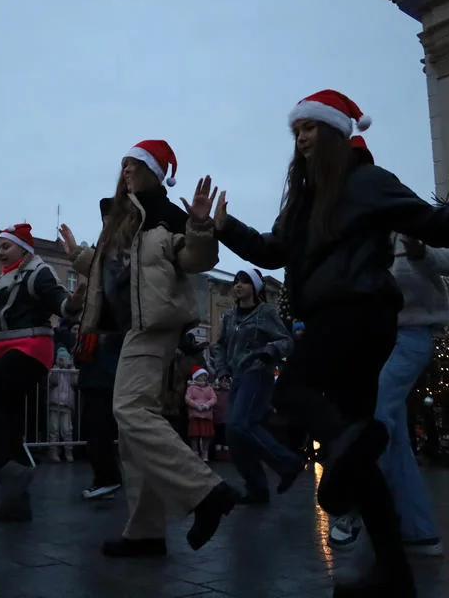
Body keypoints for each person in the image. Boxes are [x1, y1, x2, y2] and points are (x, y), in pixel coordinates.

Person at [213, 89, 449, 596]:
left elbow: (435, 224)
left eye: (311, 128)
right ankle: (393, 571)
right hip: (329, 319)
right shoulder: (302, 201)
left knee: (292, 392)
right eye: (297, 131)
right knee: (357, 455)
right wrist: (224, 227)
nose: (302, 137)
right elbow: (271, 253)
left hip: (361, 313)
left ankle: (352, 445)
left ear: (337, 133)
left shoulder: (368, 183)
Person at [59, 138, 238, 558]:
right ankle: (145, 532)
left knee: (131, 411)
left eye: (133, 165)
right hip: (126, 330)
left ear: (153, 173)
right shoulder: (122, 221)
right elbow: (114, 270)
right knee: (134, 428)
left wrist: (198, 225)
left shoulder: (166, 218)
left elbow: (196, 260)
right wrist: (79, 256)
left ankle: (206, 491)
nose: (125, 171)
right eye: (122, 165)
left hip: (154, 325)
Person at [0, 223, 84, 522]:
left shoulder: (38, 272)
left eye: (6, 246)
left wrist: (72, 303)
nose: (0, 251)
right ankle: (16, 505)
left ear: (24, 249)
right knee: (9, 421)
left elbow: (58, 301)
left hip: (29, 349)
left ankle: (11, 469)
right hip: (3, 352)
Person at [373, 232, 449, 557]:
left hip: (410, 335)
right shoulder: (362, 237)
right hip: (373, 340)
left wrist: (422, 251)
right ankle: (419, 531)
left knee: (375, 412)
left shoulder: (414, 227)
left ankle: (358, 506)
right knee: (395, 438)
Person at [210, 268, 304, 505]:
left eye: (244, 282)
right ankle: (257, 488)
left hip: (258, 373)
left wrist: (268, 351)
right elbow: (219, 345)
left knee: (240, 424)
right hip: (237, 377)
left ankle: (288, 463)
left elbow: (285, 340)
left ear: (255, 287)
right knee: (234, 433)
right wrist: (222, 370)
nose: (238, 285)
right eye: (235, 282)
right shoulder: (230, 317)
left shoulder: (265, 313)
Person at [74, 197, 125, 500]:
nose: (106, 223)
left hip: (113, 353)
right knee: (95, 422)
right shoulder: (102, 250)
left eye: (111, 218)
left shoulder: (122, 251)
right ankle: (105, 475)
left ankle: (110, 475)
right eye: (104, 219)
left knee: (107, 422)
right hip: (95, 356)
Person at [184, 367, 217, 461]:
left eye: (205, 376)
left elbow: (214, 398)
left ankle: (205, 452)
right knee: (194, 435)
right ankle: (195, 451)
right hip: (195, 414)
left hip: (206, 415)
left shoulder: (209, 388)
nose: (203, 378)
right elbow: (187, 399)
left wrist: (207, 405)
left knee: (206, 435)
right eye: (201, 376)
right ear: (196, 377)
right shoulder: (191, 388)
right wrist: (196, 405)